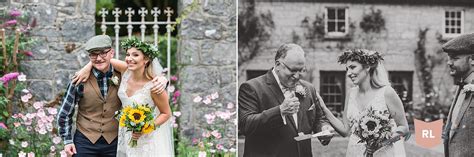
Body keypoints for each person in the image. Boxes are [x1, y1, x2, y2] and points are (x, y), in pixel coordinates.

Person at [57, 35, 168, 157]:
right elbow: (65, 113)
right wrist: (67, 141)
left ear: (112, 53)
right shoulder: (80, 79)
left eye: (103, 53)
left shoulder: (123, 74)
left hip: (115, 143)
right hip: (84, 142)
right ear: (90, 57)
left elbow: (146, 77)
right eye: (93, 54)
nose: (99, 58)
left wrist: (163, 79)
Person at [238, 43, 333, 157]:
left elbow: (318, 118)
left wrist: (323, 128)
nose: (297, 76)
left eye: (301, 70)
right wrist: (279, 111)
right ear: (278, 64)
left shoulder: (309, 88)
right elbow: (245, 125)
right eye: (293, 70)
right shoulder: (252, 88)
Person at [317, 49, 410, 157]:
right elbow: (345, 130)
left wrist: (380, 144)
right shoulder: (351, 93)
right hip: (355, 151)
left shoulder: (387, 93)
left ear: (367, 67)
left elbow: (404, 127)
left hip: (382, 152)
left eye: (352, 67)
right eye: (347, 69)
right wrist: (324, 108)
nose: (348, 73)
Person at [441, 33, 474, 157]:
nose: (449, 63)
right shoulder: (461, 86)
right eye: (449, 58)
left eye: (455, 58)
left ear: (473, 60)